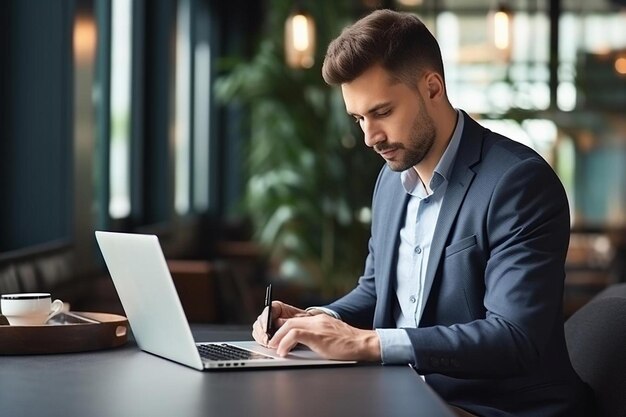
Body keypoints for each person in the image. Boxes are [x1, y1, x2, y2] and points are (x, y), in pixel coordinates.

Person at [252, 9, 592, 417]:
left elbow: (513, 337)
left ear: (432, 87)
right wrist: (313, 319)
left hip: (492, 407)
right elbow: (377, 290)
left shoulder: (518, 183)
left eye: (381, 112)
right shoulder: (390, 182)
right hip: (403, 395)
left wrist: (366, 344)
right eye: (358, 118)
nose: (369, 137)